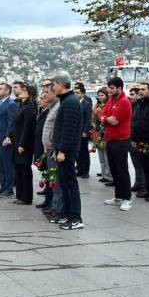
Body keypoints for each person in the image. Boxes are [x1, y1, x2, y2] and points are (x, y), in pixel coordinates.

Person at [49, 71, 83, 230]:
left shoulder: (70, 102)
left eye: (53, 84)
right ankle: (67, 214)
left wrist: (61, 150)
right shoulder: (66, 100)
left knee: (71, 184)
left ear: (62, 84)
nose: (52, 87)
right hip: (62, 150)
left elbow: (69, 130)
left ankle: (76, 218)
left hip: (67, 151)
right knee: (63, 184)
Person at [101, 77, 133, 211]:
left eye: (112, 88)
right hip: (110, 139)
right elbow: (102, 115)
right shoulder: (111, 100)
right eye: (109, 88)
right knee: (114, 169)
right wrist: (106, 118)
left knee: (122, 169)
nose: (109, 90)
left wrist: (106, 119)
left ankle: (127, 199)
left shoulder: (124, 102)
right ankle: (118, 196)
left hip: (121, 140)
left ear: (120, 88)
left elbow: (115, 121)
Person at [9, 84, 37, 205]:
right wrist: (9, 137)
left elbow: (27, 128)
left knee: (24, 170)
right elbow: (15, 125)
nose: (20, 92)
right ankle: (20, 195)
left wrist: (22, 144)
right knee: (18, 169)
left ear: (29, 93)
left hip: (24, 143)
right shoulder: (21, 105)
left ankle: (26, 197)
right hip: (17, 141)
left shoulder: (30, 107)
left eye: (23, 90)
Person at [36, 86, 60, 214]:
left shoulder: (56, 108)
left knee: (54, 180)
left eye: (45, 94)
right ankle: (50, 203)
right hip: (47, 148)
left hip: (53, 149)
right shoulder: (48, 109)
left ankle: (55, 206)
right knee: (49, 178)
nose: (41, 99)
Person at [0, 83, 17, 196]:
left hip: (4, 139)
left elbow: (11, 122)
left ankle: (9, 188)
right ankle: (3, 186)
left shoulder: (11, 104)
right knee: (0, 164)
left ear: (7, 91)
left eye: (0, 89)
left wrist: (8, 136)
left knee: (7, 164)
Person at [127, 86, 145, 193]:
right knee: (136, 163)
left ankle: (143, 185)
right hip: (132, 138)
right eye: (130, 94)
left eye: (132, 94)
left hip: (138, 139)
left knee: (141, 164)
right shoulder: (132, 106)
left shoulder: (140, 106)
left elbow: (139, 124)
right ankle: (138, 182)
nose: (130, 96)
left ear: (138, 95)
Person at [93, 87, 112, 184]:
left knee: (106, 156)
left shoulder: (108, 105)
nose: (100, 97)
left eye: (102, 95)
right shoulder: (97, 105)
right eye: (99, 95)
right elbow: (94, 118)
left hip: (105, 131)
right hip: (97, 131)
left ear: (106, 96)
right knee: (101, 155)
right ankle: (104, 174)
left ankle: (109, 176)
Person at [74, 82, 93, 179]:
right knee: (77, 152)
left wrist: (85, 131)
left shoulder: (87, 104)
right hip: (76, 132)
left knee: (84, 152)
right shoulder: (75, 103)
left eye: (77, 93)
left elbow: (88, 119)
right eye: (75, 92)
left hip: (83, 132)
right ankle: (80, 169)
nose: (75, 94)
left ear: (82, 94)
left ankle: (86, 171)